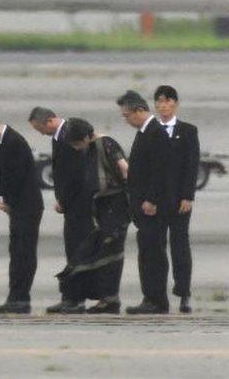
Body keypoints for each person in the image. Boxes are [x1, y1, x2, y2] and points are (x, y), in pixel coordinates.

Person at [53, 119, 130, 314]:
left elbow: (125, 169)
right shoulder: (90, 148)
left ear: (86, 137)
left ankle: (110, 300)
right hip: (101, 206)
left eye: (78, 143)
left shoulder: (106, 143)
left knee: (110, 252)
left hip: (115, 205)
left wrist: (130, 200)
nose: (77, 148)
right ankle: (105, 298)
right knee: (101, 250)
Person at [0, 114, 44, 314]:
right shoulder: (2, 142)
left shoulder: (13, 142)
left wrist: (8, 200)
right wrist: (3, 197)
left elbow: (16, 176)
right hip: (18, 205)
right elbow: (4, 175)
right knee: (16, 250)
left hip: (27, 206)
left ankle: (21, 298)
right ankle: (15, 296)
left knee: (24, 252)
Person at [28, 107, 92, 313]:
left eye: (39, 128)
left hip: (79, 203)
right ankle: (71, 296)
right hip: (71, 202)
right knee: (72, 247)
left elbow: (75, 174)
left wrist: (64, 199)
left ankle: (75, 298)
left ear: (49, 121)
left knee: (77, 248)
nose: (40, 133)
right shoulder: (59, 136)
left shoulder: (69, 135)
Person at [117, 90, 173, 314]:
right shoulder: (145, 131)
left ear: (140, 110)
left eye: (127, 115)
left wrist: (151, 199)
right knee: (147, 252)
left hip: (152, 208)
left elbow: (160, 171)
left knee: (153, 254)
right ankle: (151, 297)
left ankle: (156, 300)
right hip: (142, 207)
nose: (126, 119)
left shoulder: (155, 133)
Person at [153, 85, 200, 313]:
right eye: (159, 101)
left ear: (175, 104)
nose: (163, 105)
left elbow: (191, 166)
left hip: (179, 200)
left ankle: (184, 293)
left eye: (167, 101)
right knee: (156, 248)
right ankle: (157, 296)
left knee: (180, 246)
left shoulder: (188, 131)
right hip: (155, 201)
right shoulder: (149, 131)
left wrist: (187, 196)